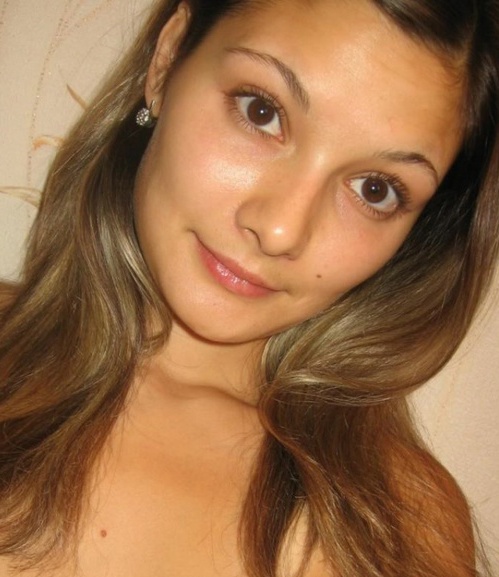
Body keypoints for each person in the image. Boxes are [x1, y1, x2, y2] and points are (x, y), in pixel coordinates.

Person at [0, 0, 498, 575]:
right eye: (262, 111)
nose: (281, 229)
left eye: (375, 189)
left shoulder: (393, 521)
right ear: (166, 61)